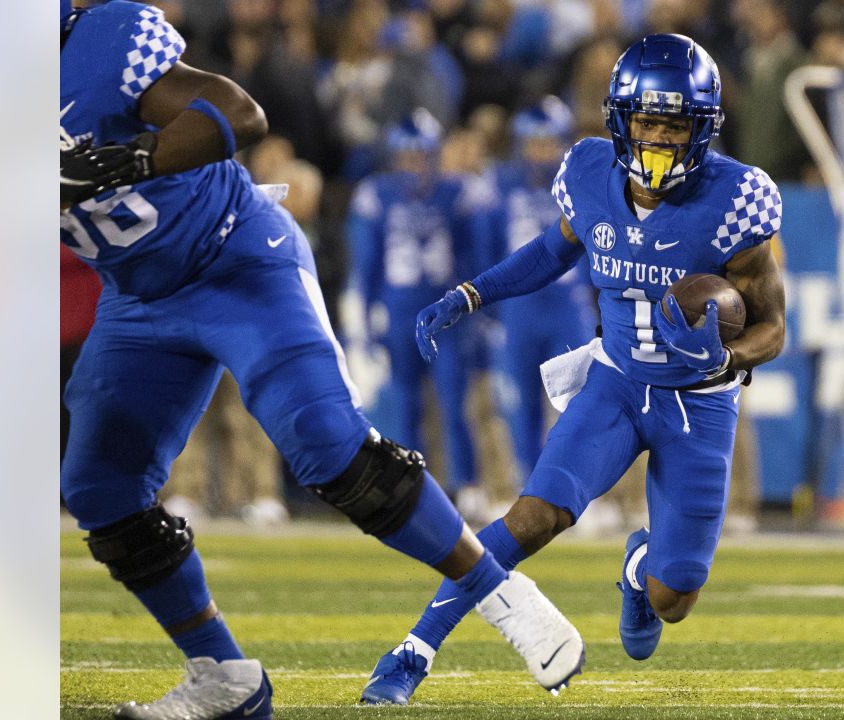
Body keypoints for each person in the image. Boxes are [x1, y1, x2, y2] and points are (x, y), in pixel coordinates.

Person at [58, 3, 582, 719]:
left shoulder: (97, 41)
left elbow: (239, 113)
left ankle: (499, 592)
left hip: (234, 259)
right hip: (137, 299)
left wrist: (133, 158)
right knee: (98, 487)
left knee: (327, 444)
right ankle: (222, 676)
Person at [362, 33, 787, 705]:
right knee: (533, 516)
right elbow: (554, 250)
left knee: (673, 596)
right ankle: (413, 650)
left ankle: (641, 566)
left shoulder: (736, 200)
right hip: (615, 384)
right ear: (620, 119)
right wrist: (473, 293)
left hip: (698, 404)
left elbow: (773, 326)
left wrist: (727, 356)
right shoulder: (590, 173)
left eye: (675, 124)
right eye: (647, 120)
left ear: (702, 128)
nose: (658, 138)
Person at [344, 109, 485, 511]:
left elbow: (473, 257)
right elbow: (366, 263)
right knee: (405, 404)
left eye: (421, 156)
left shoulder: (458, 193)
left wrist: (475, 310)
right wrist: (366, 315)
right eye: (407, 157)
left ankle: (468, 485)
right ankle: (412, 486)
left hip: (446, 316)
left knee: (453, 402)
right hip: (400, 313)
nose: (414, 166)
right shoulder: (376, 194)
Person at [486, 97, 597, 488]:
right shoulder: (499, 185)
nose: (540, 151)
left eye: (548, 142)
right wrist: (490, 311)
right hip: (520, 310)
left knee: (580, 405)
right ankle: (532, 489)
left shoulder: (583, 186)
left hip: (568, 307)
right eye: (533, 142)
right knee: (523, 407)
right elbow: (487, 251)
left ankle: (578, 488)